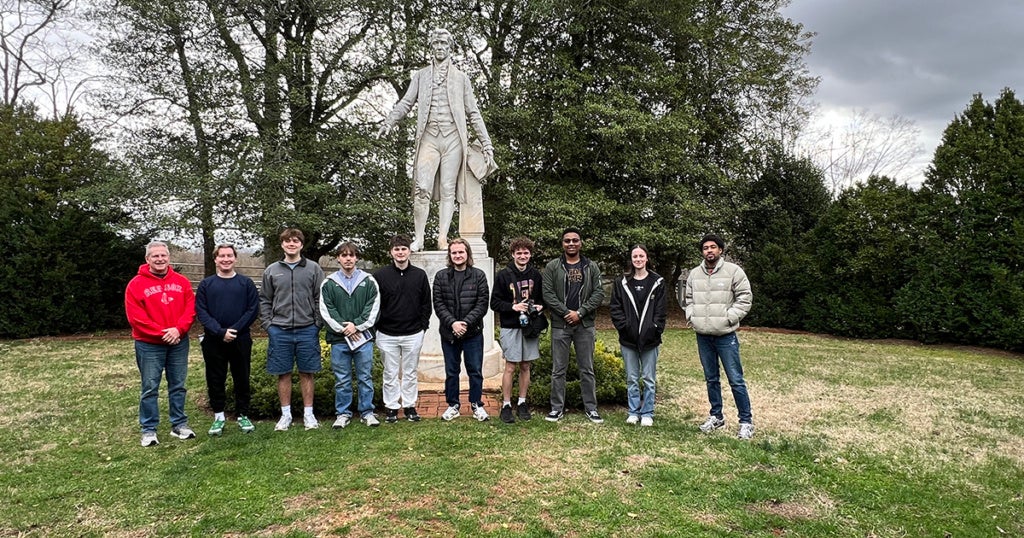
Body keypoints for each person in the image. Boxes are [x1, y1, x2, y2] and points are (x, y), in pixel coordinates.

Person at [377, 27, 495, 252]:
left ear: (450, 47)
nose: (440, 47)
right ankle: (419, 237)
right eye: (436, 44)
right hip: (429, 137)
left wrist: (487, 143)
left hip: (453, 138)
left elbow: (473, 112)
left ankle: (442, 237)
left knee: (449, 188)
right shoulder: (420, 76)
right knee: (422, 187)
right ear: (431, 47)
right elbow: (406, 102)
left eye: (443, 44)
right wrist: (389, 122)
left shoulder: (461, 78)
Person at [680, 234, 755, 440]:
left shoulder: (734, 272)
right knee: (711, 379)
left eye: (713, 247)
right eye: (705, 248)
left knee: (735, 379)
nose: (709, 251)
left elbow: (745, 298)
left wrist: (729, 317)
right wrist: (692, 317)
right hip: (703, 335)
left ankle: (746, 421)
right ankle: (716, 416)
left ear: (720, 250)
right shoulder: (695, 274)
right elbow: (688, 299)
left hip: (725, 336)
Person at [124, 241, 196, 447]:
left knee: (178, 385)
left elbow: (190, 309)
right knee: (150, 387)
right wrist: (161, 333)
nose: (160, 259)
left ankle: (179, 424)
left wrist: (178, 330)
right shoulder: (135, 285)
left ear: (168, 257)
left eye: (163, 255)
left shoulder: (181, 282)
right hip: (149, 344)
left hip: (178, 342)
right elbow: (136, 317)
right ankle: (148, 429)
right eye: (155, 256)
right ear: (147, 259)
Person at [260, 228, 325, 432]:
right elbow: (264, 300)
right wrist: (268, 325)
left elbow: (319, 298)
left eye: (295, 241)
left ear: (301, 245)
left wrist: (317, 324)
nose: (291, 244)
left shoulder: (313, 269)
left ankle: (308, 414)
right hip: (280, 329)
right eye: (287, 241)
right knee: (283, 374)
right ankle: (286, 415)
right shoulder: (272, 270)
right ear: (282, 245)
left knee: (307, 373)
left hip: (307, 329)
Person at [195, 243, 260, 436]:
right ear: (215, 259)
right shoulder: (207, 285)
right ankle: (218, 416)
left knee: (242, 377)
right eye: (221, 256)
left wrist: (235, 330)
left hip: (240, 339)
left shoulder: (246, 283)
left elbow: (252, 309)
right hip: (214, 340)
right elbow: (201, 311)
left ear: (235, 258)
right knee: (215, 378)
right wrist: (219, 331)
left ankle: (243, 414)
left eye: (229, 255)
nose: (226, 259)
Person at [542, 228, 605, 423]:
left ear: (580, 243)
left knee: (587, 368)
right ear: (562, 243)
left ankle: (591, 408)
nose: (571, 244)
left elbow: (598, 293)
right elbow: (548, 294)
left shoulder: (591, 266)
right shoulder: (553, 266)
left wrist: (580, 312)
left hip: (584, 324)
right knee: (558, 369)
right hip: (561, 325)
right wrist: (565, 312)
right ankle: (556, 408)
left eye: (575, 240)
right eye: (567, 241)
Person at [320, 242, 382, 429]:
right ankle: (343, 413)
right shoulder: (329, 283)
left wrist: (358, 326)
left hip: (363, 339)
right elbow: (326, 309)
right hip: (339, 340)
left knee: (365, 377)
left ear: (357, 258)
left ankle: (367, 412)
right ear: (338, 258)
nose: (348, 258)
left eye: (351, 255)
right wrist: (343, 328)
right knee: (342, 379)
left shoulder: (369, 281)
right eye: (344, 255)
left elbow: (373, 307)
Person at [374, 235, 431, 423]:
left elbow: (426, 304)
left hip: (413, 333)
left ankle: (409, 406)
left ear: (409, 251)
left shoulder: (419, 275)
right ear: (391, 252)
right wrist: (377, 327)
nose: (400, 252)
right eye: (397, 249)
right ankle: (391, 407)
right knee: (390, 373)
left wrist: (423, 326)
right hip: (386, 333)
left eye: (403, 249)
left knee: (410, 372)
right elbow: (374, 304)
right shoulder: (380, 276)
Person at [433, 238, 491, 421]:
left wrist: (465, 323)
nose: (458, 255)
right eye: (454, 252)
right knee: (452, 371)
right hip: (449, 333)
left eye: (461, 252)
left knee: (475, 370)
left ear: (467, 254)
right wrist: (453, 324)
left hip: (473, 333)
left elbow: (482, 304)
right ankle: (453, 405)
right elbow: (438, 304)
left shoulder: (479, 275)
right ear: (450, 255)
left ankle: (476, 404)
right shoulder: (441, 276)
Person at [609, 245, 667, 427]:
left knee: (649, 379)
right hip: (628, 340)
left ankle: (647, 412)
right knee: (632, 378)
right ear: (631, 259)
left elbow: (661, 310)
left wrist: (655, 327)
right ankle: (633, 412)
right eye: (635, 256)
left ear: (647, 258)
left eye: (641, 256)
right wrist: (624, 327)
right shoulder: (622, 283)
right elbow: (615, 308)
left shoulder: (658, 282)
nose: (638, 259)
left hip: (650, 340)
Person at [490, 236, 545, 423]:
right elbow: (494, 302)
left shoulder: (536, 275)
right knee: (511, 366)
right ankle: (506, 404)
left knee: (526, 365)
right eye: (519, 252)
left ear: (530, 254)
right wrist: (512, 307)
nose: (523, 256)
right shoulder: (503, 275)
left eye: (526, 252)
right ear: (513, 254)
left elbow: (542, 299)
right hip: (510, 326)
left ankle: (522, 402)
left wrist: (539, 307)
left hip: (529, 326)